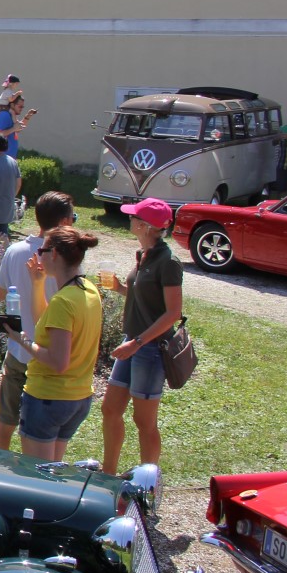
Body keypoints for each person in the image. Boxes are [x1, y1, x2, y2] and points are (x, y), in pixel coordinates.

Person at [99, 197, 184, 475]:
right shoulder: (143, 254)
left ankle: (148, 480)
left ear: (146, 226)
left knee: (144, 421)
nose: (130, 219)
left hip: (148, 348)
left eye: (134, 217)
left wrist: (137, 343)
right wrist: (121, 288)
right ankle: (108, 472)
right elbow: (145, 298)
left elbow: (172, 313)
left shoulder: (168, 262)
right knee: (110, 409)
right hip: (133, 342)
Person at [0, 191, 78, 451]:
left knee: (5, 421)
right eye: (73, 217)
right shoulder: (67, 257)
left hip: (18, 349)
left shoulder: (15, 251)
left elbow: (0, 293)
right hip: (49, 353)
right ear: (63, 222)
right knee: (43, 432)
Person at [10, 226, 104, 462]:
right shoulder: (88, 291)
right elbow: (47, 322)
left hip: (49, 399)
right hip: (77, 398)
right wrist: (37, 284)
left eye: (42, 249)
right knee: (53, 474)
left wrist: (20, 339)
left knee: (38, 480)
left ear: (54, 254)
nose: (39, 255)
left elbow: (58, 361)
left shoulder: (63, 301)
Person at [0, 89, 35, 158]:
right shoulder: (5, 115)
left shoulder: (11, 116)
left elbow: (18, 128)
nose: (21, 109)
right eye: (20, 106)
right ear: (12, 105)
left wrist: (28, 116)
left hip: (7, 159)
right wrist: (13, 128)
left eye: (22, 107)